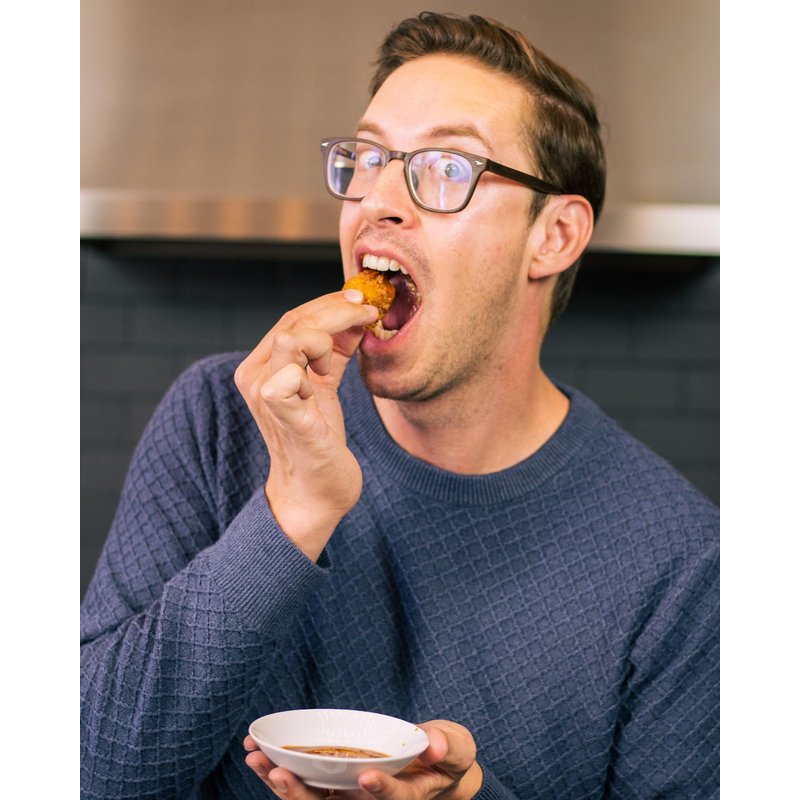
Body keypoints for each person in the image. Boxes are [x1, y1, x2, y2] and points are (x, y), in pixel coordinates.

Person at [80, 12, 719, 800]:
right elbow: (84, 771)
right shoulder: (221, 419)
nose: (376, 200)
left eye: (446, 168)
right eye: (368, 159)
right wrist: (292, 510)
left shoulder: (684, 568)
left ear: (554, 235)